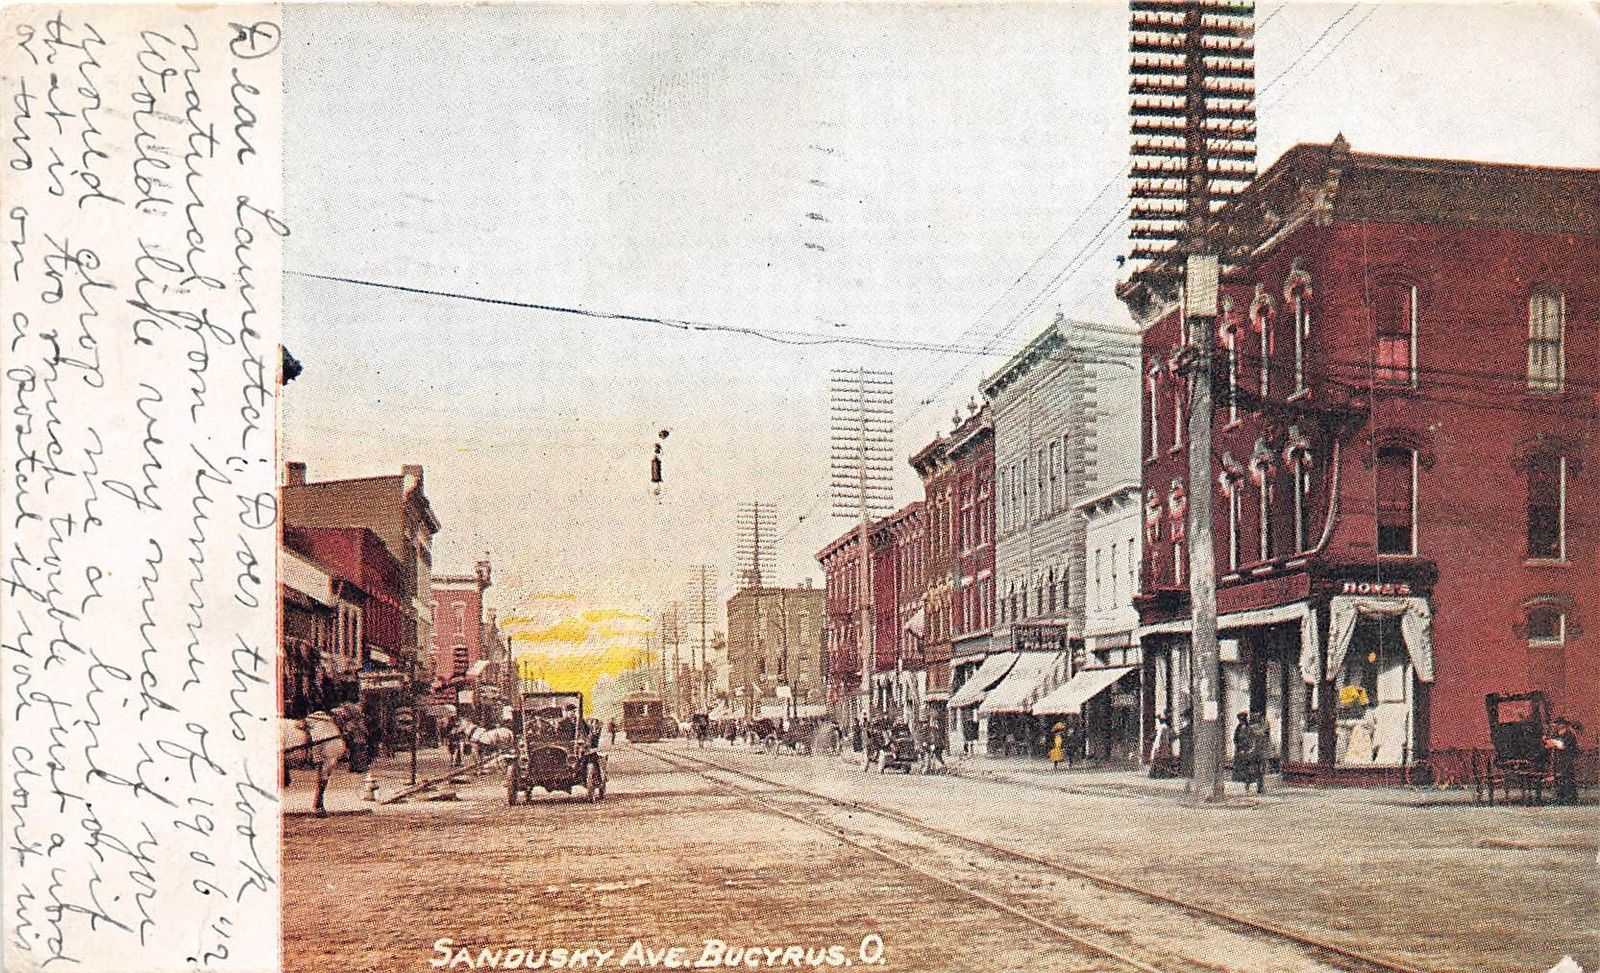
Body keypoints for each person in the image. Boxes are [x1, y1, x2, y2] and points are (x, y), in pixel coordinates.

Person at [1544, 717, 1581, 805]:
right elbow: (1549, 744)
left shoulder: (1569, 733)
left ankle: (1569, 798)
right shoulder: (1557, 733)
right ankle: (1561, 797)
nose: (1555, 727)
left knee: (1566, 777)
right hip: (1559, 759)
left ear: (1562, 725)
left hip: (1567, 758)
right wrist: (1547, 741)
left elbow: (1563, 745)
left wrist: (1552, 742)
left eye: (1557, 725)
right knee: (1559, 778)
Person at [1248, 713, 1271, 794]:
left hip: (1261, 753)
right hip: (1257, 753)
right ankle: (1255, 786)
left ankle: (1259, 787)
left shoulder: (1257, 729)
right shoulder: (1254, 728)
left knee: (1260, 771)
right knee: (1256, 770)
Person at [1232, 712, 1253, 785]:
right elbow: (1235, 737)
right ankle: (1239, 778)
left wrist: (1245, 748)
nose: (1240, 721)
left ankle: (1247, 779)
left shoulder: (1248, 728)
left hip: (1245, 748)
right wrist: (1237, 745)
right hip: (1239, 747)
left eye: (1241, 719)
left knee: (1246, 764)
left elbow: (1249, 739)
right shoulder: (1238, 727)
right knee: (1239, 763)